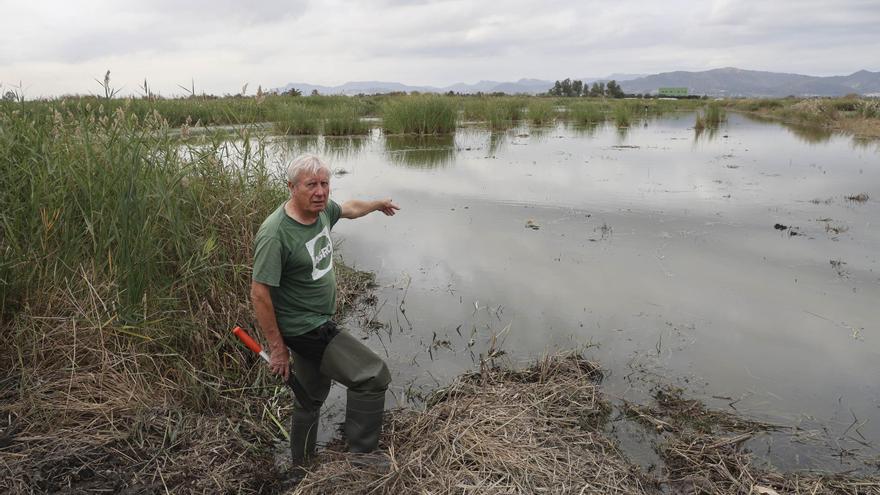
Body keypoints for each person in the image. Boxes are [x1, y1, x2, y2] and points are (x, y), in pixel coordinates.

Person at [250, 153, 399, 466]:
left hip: (317, 320)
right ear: (291, 187)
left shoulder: (321, 211)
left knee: (310, 398)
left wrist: (376, 204)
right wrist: (278, 350)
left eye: (324, 184)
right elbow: (260, 293)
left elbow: (348, 209)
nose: (320, 191)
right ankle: (362, 459)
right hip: (305, 328)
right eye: (310, 185)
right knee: (372, 375)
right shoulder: (275, 233)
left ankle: (301, 464)